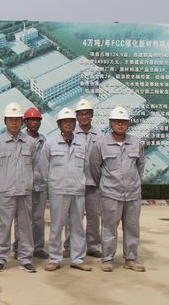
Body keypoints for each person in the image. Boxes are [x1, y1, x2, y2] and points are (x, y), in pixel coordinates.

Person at [90, 106, 146, 272]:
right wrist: (106, 184)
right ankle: (107, 259)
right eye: (117, 122)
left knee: (132, 228)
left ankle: (131, 259)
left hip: (132, 194)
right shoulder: (101, 144)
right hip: (110, 194)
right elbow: (95, 167)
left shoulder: (136, 143)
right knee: (109, 227)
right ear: (110, 123)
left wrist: (133, 182)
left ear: (128, 124)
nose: (120, 124)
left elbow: (140, 166)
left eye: (123, 122)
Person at [0, 102, 38, 273]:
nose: (14, 123)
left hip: (24, 191)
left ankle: (25, 259)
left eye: (17, 119)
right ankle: (0, 258)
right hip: (5, 191)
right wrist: (4, 179)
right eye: (10, 119)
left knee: (25, 226)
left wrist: (26, 180)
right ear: (5, 121)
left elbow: (35, 164)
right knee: (3, 226)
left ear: (22, 121)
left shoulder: (30, 143)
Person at [43, 108, 92, 272]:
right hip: (58, 190)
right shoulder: (50, 143)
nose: (68, 124)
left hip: (77, 190)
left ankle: (78, 259)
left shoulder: (82, 143)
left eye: (71, 121)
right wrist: (51, 184)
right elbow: (43, 167)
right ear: (59, 124)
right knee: (56, 226)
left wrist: (82, 182)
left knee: (77, 226)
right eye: (65, 122)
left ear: (74, 123)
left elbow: (87, 166)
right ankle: (54, 259)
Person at [67, 98, 103, 258]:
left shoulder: (100, 135)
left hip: (93, 183)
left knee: (94, 216)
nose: (84, 117)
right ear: (76, 116)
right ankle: (70, 245)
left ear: (92, 115)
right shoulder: (71, 134)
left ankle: (93, 246)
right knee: (73, 216)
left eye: (87, 113)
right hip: (75, 182)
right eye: (81, 114)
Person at [14, 107, 48, 260]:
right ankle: (19, 247)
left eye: (37, 120)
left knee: (38, 218)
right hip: (24, 185)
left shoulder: (44, 140)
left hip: (40, 184)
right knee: (21, 218)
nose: (34, 122)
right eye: (31, 120)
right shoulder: (20, 140)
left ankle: (38, 247)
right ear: (26, 122)